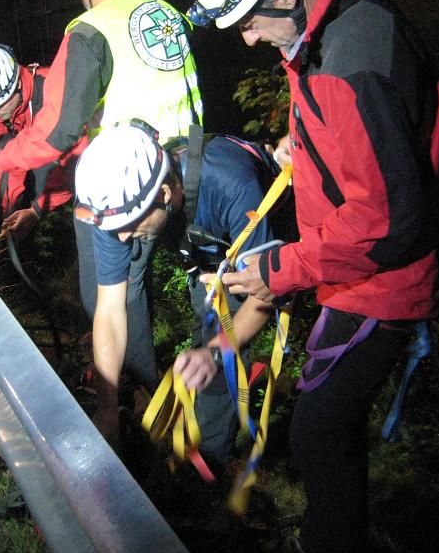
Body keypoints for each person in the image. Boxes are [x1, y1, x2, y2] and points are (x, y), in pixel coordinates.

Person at [188, 0, 439, 553]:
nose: (249, 39)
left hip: (382, 282)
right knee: (325, 424)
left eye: (250, 23)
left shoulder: (346, 66)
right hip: (363, 265)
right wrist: (304, 147)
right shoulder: (342, 20)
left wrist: (280, 269)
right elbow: (371, 150)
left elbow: (386, 222)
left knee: (319, 430)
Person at [0, 0, 202, 440]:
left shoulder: (89, 30)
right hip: (190, 170)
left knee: (108, 292)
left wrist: (4, 154)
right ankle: (163, 393)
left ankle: (133, 394)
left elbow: (60, 129)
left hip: (130, 181)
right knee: (150, 283)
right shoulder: (164, 13)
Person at [74, 121, 288, 463]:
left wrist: (214, 352)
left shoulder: (232, 185)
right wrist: (106, 410)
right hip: (205, 254)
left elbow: (265, 296)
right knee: (206, 328)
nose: (123, 238)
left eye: (130, 225)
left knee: (218, 356)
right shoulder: (115, 204)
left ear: (163, 194)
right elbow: (111, 310)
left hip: (252, 259)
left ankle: (209, 462)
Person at [0, 44, 78, 240]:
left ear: (17, 85)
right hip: (45, 174)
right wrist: (10, 210)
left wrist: (37, 210)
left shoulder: (53, 91)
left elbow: (71, 162)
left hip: (82, 173)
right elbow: (3, 162)